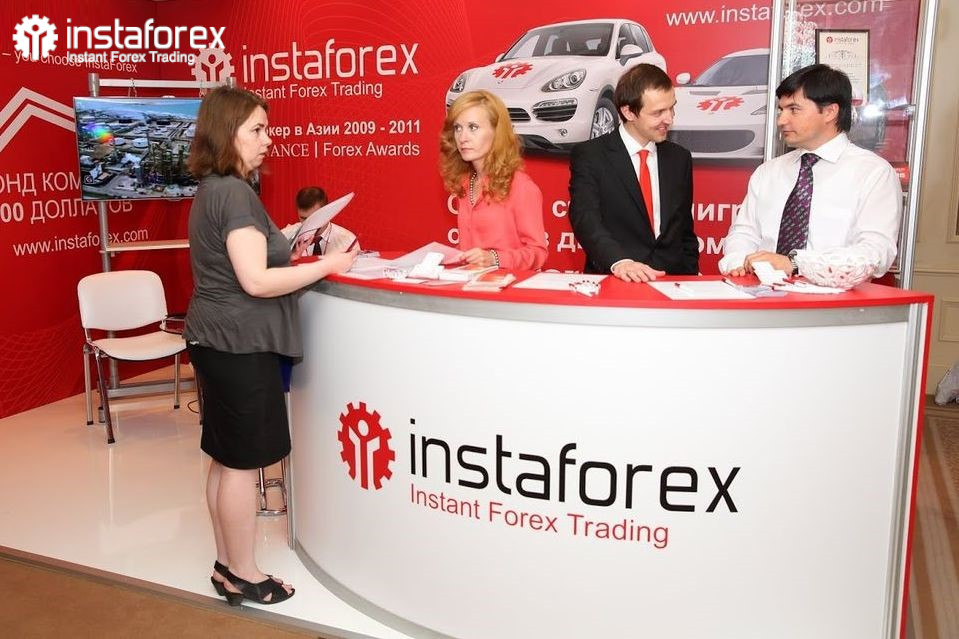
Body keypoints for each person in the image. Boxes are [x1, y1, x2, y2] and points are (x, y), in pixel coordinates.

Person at [183, 87, 356, 606]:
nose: (268, 139)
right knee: (240, 463)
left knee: (223, 458)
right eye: (256, 129)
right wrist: (329, 264)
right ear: (226, 133)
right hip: (239, 342)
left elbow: (242, 261)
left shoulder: (213, 188)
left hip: (214, 337)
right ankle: (243, 572)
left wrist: (286, 245)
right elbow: (256, 281)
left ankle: (225, 565)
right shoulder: (235, 194)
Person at [719, 64, 902, 277]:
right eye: (781, 110)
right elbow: (744, 233)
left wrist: (796, 264)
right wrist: (738, 263)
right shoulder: (768, 172)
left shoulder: (873, 173)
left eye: (793, 110)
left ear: (830, 112)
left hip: (835, 297)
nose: (781, 120)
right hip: (761, 293)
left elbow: (875, 252)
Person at [568, 63, 698, 282]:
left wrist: (688, 274)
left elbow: (684, 230)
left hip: (672, 284)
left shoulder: (680, 158)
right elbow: (586, 219)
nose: (669, 119)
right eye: (658, 112)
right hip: (616, 281)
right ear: (628, 112)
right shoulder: (591, 156)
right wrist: (619, 262)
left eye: (671, 108)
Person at [440, 89, 547, 270]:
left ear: (497, 132)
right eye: (458, 128)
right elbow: (473, 250)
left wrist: (495, 258)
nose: (462, 138)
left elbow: (538, 253)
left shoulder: (521, 186)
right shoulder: (466, 184)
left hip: (509, 285)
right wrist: (445, 258)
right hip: (472, 283)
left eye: (473, 127)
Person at [281, 186, 359, 260]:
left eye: (314, 218)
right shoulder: (284, 237)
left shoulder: (348, 241)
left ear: (327, 212)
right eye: (303, 218)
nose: (309, 224)